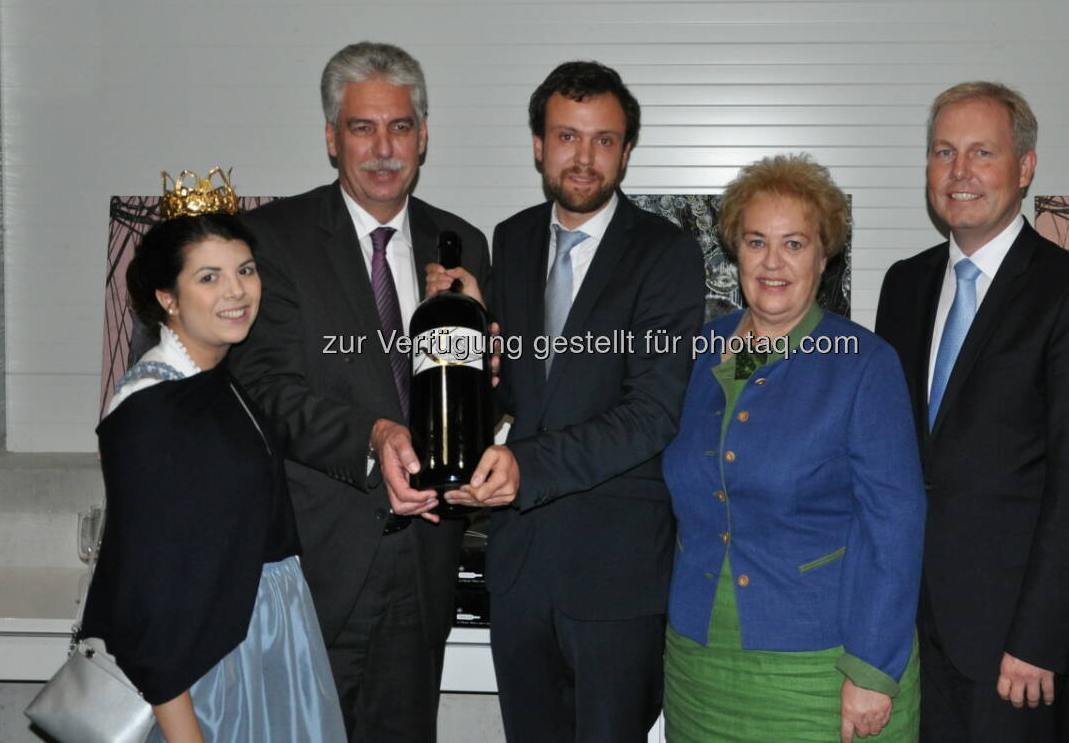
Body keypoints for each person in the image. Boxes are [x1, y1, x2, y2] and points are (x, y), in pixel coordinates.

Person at [229, 42, 490, 742]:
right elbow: (263, 386)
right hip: (317, 564)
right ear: (330, 137)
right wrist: (373, 438)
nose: (383, 148)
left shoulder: (462, 243)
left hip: (427, 562)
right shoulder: (273, 238)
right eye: (362, 127)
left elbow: (483, 395)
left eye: (401, 127)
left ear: (424, 135)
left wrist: (489, 368)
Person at [446, 60, 705, 742]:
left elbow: (653, 410)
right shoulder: (512, 237)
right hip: (519, 567)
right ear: (538, 143)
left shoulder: (666, 252)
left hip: (616, 574)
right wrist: (472, 334)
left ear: (625, 149)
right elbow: (520, 391)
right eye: (567, 136)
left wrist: (526, 465)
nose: (583, 157)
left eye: (603, 139)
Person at [874, 82, 1069, 743]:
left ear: (1025, 167)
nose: (959, 173)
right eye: (943, 152)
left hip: (1015, 645)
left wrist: (1040, 639)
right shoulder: (903, 285)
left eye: (981, 151)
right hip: (910, 629)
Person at [662, 155, 926, 743]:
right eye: (757, 242)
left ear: (823, 256)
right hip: (700, 663)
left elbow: (895, 526)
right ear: (735, 251)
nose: (773, 262)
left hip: (822, 663)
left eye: (795, 243)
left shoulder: (864, 364)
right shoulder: (696, 351)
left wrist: (872, 670)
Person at [80, 174, 347, 742]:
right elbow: (146, 587)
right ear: (167, 298)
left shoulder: (219, 379)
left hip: (268, 641)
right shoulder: (151, 407)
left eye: (245, 270)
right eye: (210, 277)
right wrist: (184, 734)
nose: (237, 291)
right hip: (207, 670)